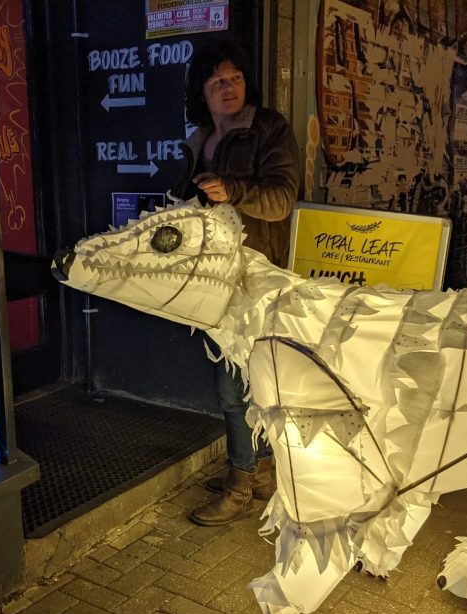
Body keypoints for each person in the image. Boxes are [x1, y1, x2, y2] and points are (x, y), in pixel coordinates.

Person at [171, 38, 300, 526]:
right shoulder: (200, 138)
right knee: (249, 381)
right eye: (217, 81)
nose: (228, 88)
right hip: (214, 278)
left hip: (256, 277)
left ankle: (240, 484)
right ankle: (262, 471)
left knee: (234, 388)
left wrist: (235, 191)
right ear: (202, 91)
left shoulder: (268, 128)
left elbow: (282, 199)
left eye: (235, 78)